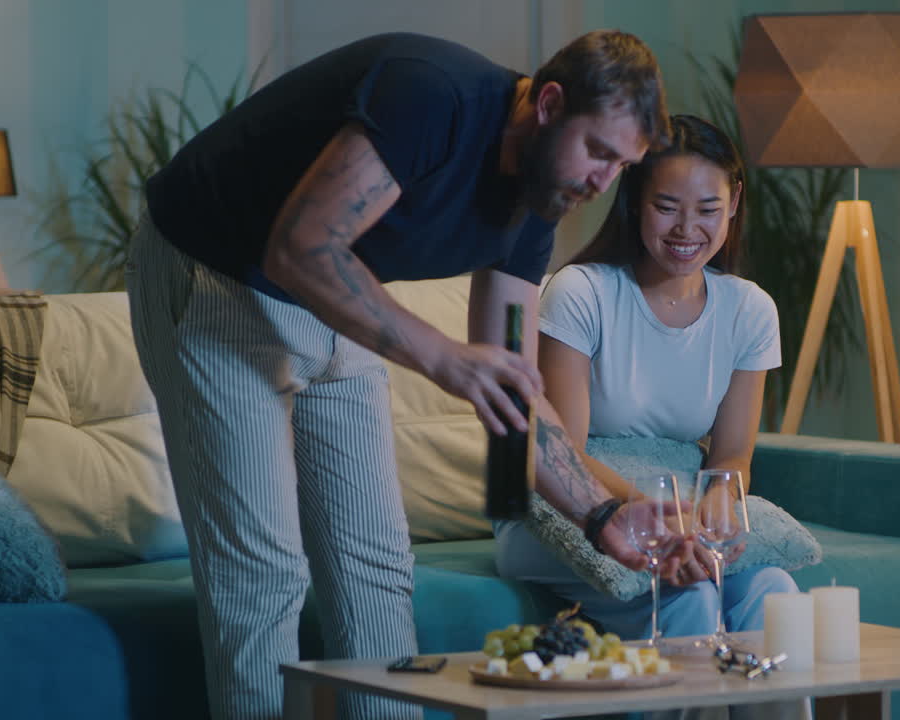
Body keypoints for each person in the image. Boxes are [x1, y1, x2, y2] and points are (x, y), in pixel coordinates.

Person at [125, 30, 686, 720]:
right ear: (548, 103)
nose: (603, 182)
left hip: (339, 297)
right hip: (218, 276)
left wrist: (600, 515)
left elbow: (513, 396)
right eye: (599, 151)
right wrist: (444, 357)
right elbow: (300, 246)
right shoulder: (431, 94)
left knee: (376, 575)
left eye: (622, 166)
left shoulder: (541, 201)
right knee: (263, 579)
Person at [495, 114, 800, 648]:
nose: (687, 230)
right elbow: (560, 452)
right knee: (687, 597)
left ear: (733, 202)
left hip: (676, 507)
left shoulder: (749, 310)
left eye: (707, 209)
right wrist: (658, 513)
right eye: (666, 208)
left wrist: (712, 506)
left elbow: (731, 457)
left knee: (774, 593)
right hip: (567, 506)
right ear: (634, 200)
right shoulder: (581, 292)